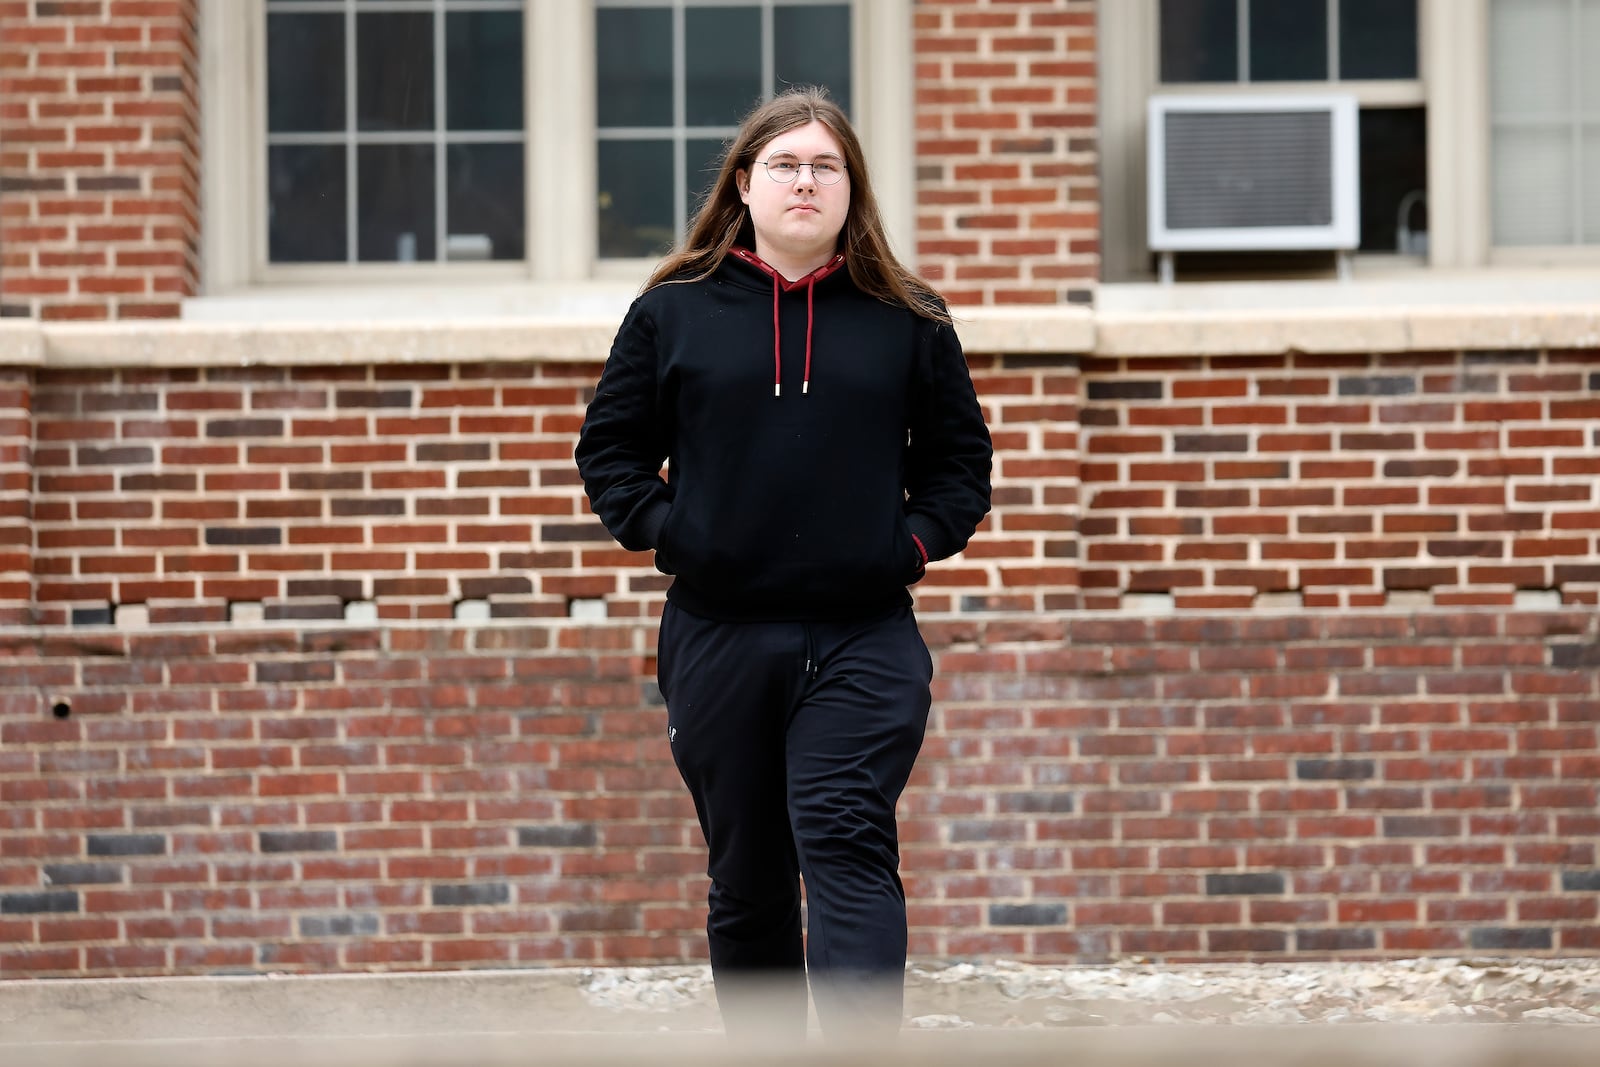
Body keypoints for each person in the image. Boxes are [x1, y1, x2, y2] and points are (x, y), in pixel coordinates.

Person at [574, 87, 992, 1041]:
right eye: (784, 165)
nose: (806, 181)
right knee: (750, 874)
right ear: (745, 186)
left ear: (852, 189)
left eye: (825, 166)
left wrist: (907, 545)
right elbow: (610, 453)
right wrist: (677, 534)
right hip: (719, 636)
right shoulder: (672, 310)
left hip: (864, 635)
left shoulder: (909, 317)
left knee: (846, 838)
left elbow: (961, 467)